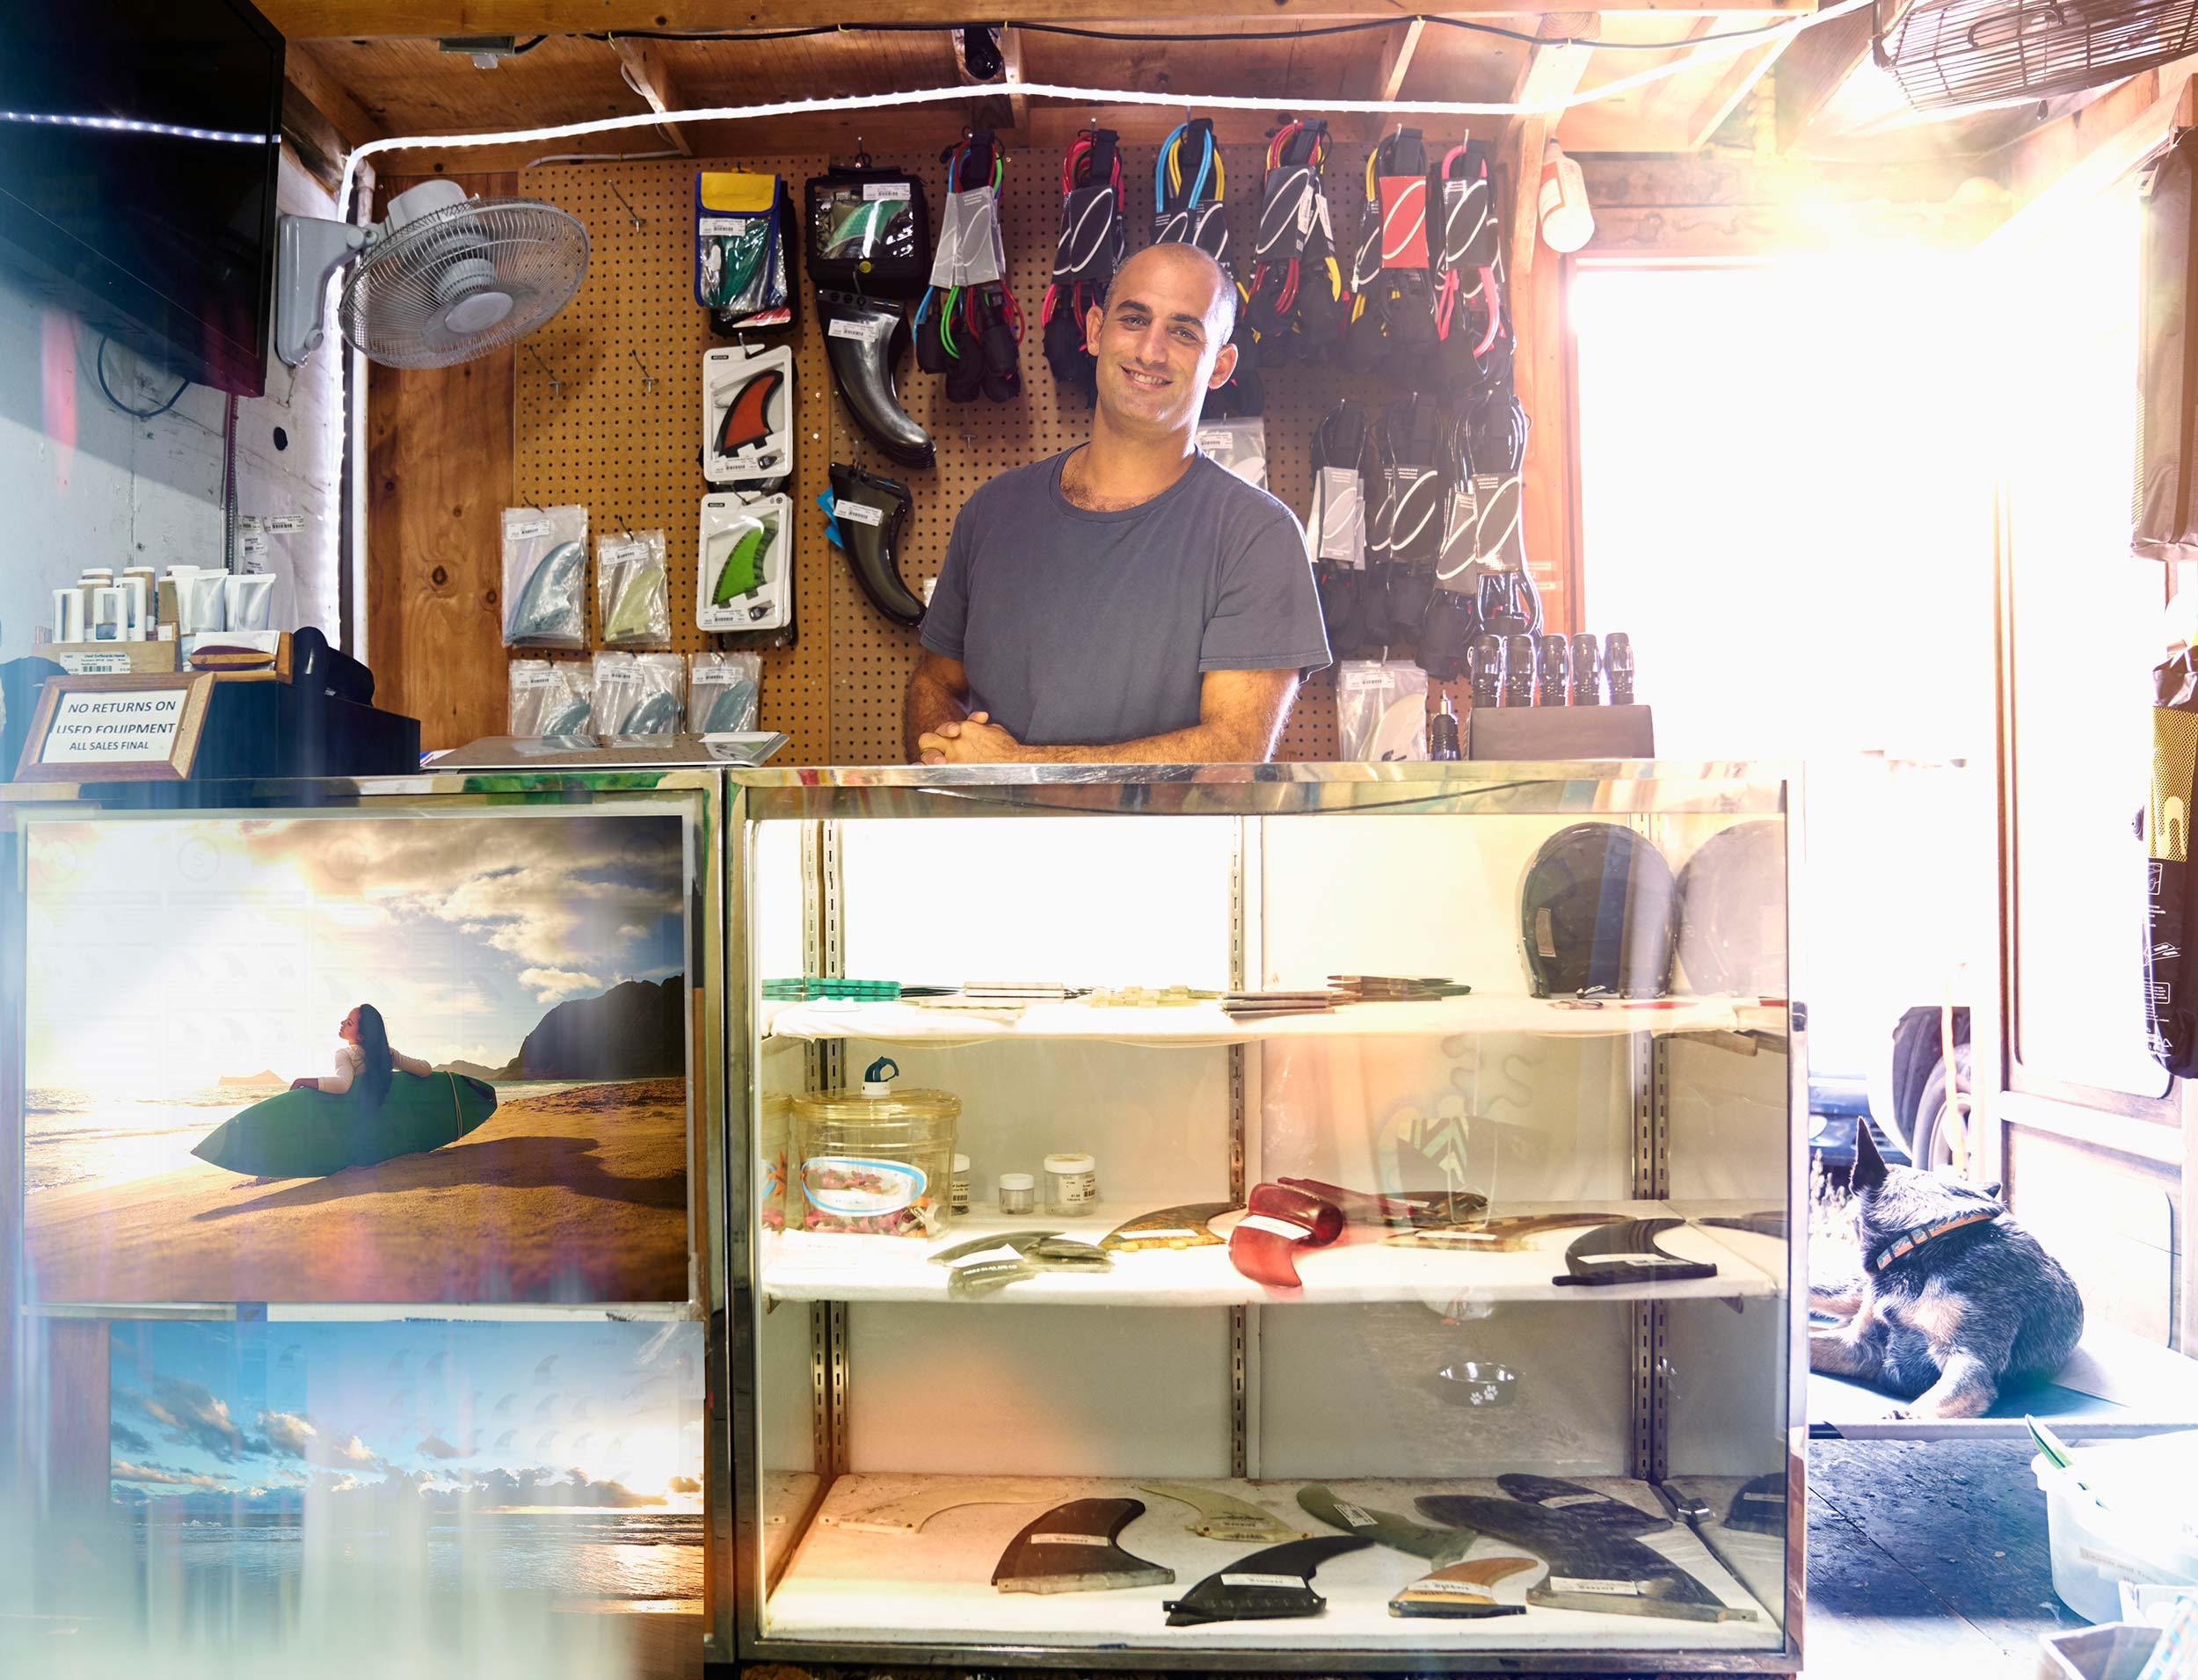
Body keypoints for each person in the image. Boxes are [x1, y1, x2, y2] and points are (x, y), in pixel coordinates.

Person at [906, 242, 1329, 766]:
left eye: (1183, 332)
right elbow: (935, 682)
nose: (1151, 352)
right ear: (1094, 330)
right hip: (987, 822)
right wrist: (943, 752)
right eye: (1134, 319)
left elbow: (1233, 753)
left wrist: (1020, 769)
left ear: (1220, 366)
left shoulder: (1257, 534)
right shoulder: (991, 512)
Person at [291, 1004, 432, 1107]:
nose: (342, 1023)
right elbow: (425, 1069)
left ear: (360, 1036)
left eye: (349, 1023)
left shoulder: (345, 1054)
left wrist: (301, 1081)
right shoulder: (387, 1054)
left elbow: (343, 1085)